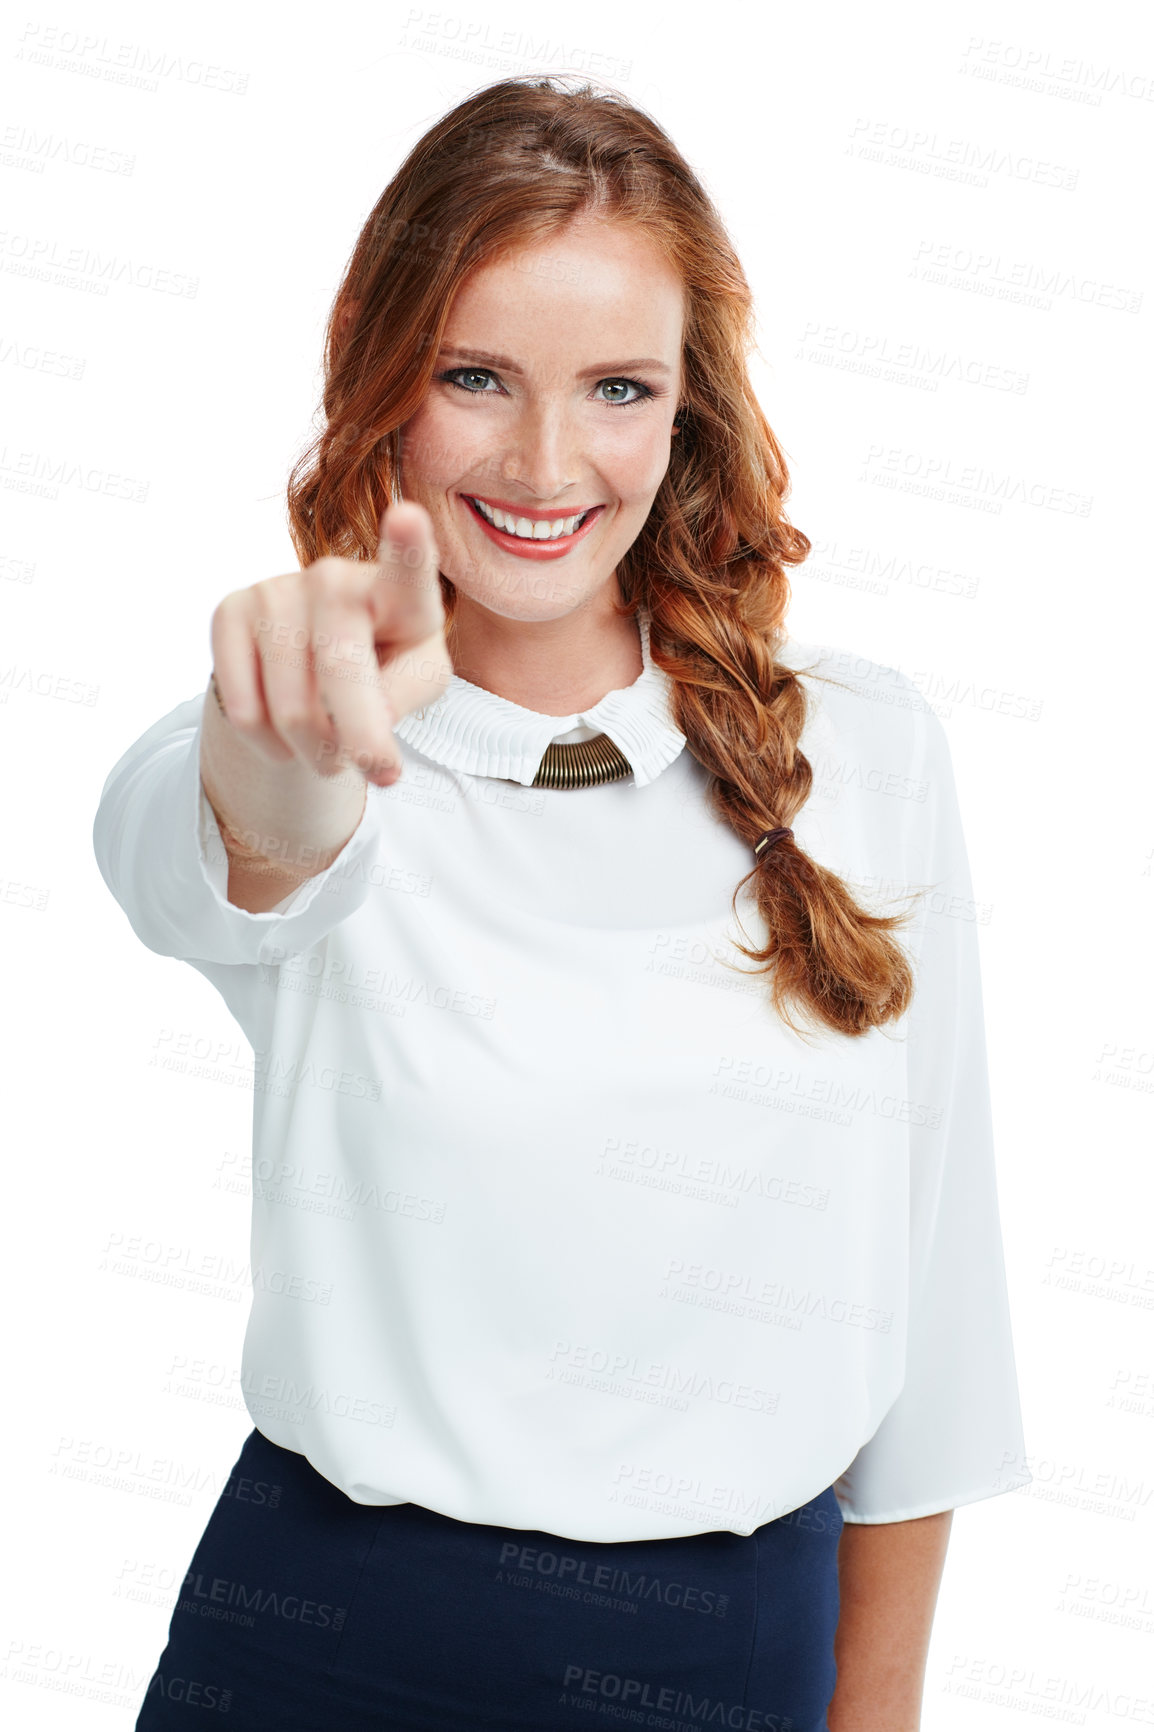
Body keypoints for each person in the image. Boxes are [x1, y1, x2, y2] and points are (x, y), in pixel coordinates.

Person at [92, 73, 1032, 1732]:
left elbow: (933, 1297)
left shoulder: (866, 748)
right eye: (474, 379)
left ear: (686, 410)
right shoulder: (295, 733)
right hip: (321, 1632)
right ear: (381, 389)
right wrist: (281, 744)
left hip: (729, 1641)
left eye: (615, 387)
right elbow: (249, 849)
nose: (544, 461)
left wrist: (875, 1711)